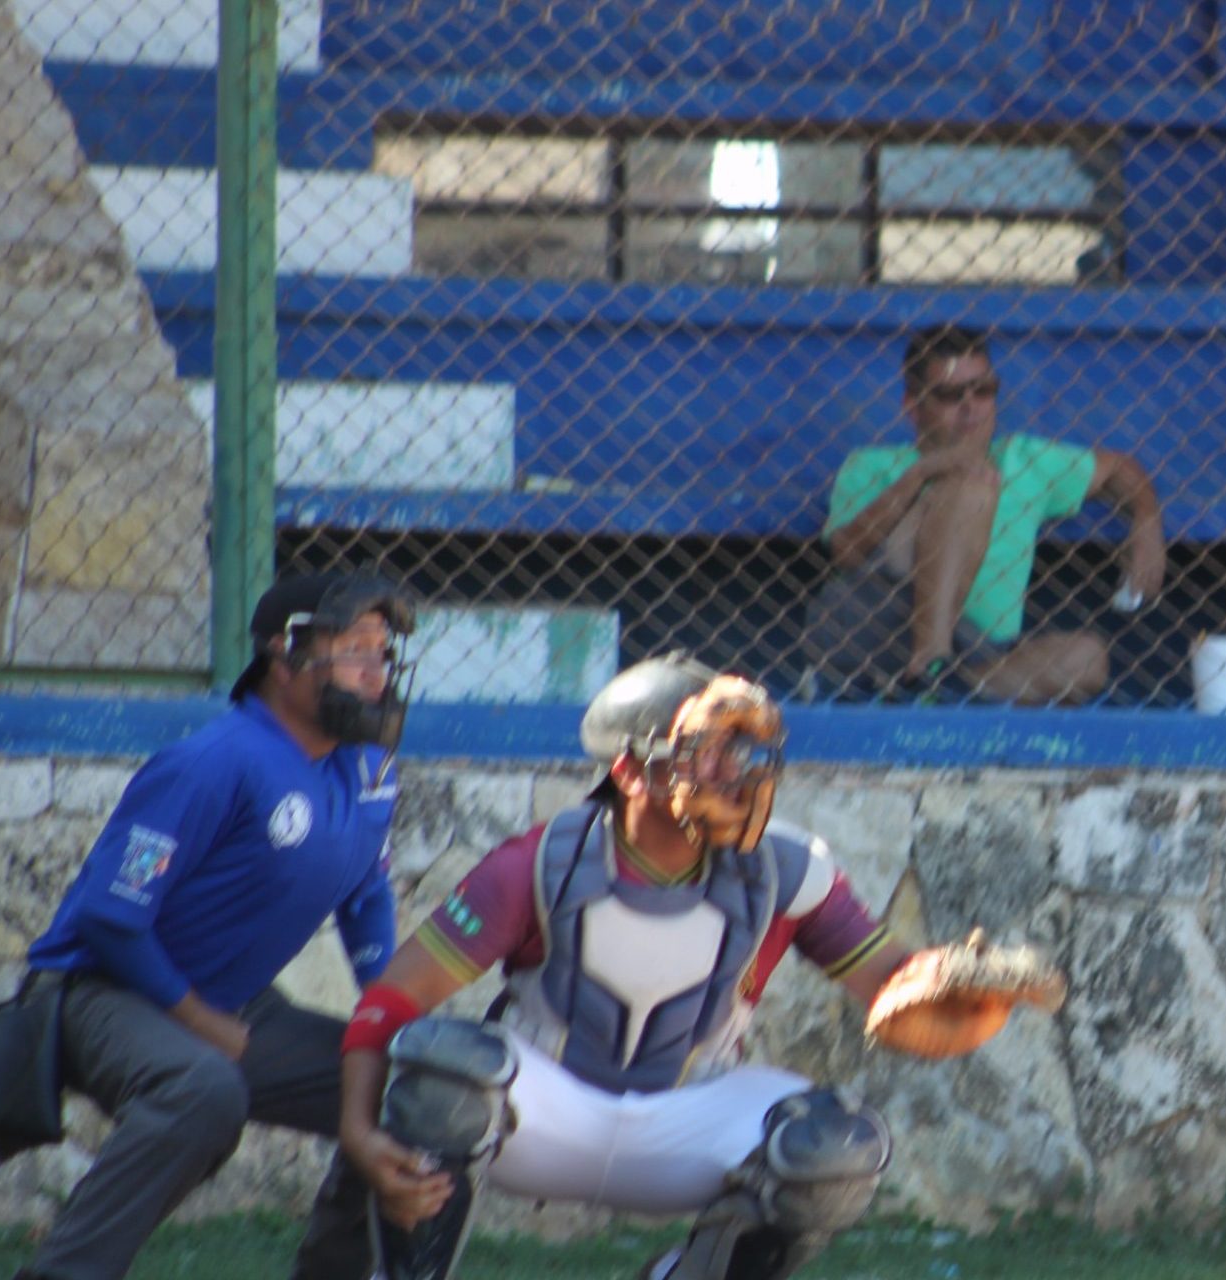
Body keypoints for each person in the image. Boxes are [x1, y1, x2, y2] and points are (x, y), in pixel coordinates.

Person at [326, 655, 1021, 1280]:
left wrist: (961, 996)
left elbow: (895, 985)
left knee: (833, 1146)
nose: (737, 773)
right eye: (708, 753)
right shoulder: (539, 864)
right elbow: (394, 998)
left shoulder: (785, 870)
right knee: (445, 1068)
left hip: (687, 1117)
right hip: (543, 1115)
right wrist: (360, 1131)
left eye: (742, 752)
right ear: (630, 770)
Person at [13, 572, 416, 1280]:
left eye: (382, 653)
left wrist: (392, 1015)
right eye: (355, 648)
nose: (374, 673)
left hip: (230, 1003)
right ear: (283, 654)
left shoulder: (369, 771)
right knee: (204, 1091)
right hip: (94, 993)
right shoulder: (209, 763)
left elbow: (366, 897)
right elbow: (111, 916)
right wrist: (200, 1019)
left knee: (413, 1090)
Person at [806, 324, 1164, 705]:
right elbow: (846, 553)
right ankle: (927, 661)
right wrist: (923, 474)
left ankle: (942, 691)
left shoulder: (1022, 459)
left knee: (1088, 658)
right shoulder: (873, 464)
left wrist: (1146, 522)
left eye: (983, 390)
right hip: (881, 624)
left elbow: (1119, 471)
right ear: (912, 405)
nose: (970, 406)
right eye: (949, 395)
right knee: (972, 487)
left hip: (977, 652)